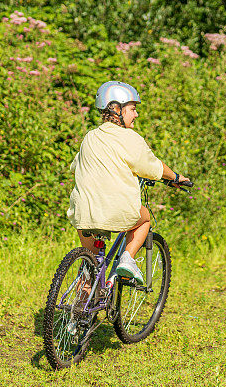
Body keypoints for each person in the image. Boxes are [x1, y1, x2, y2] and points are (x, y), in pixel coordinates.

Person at [66, 81, 189, 288]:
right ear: (116, 109)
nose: (136, 114)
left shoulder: (90, 137)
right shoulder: (129, 138)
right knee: (144, 218)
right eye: (132, 109)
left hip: (83, 212)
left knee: (92, 263)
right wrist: (175, 177)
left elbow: (75, 165)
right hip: (116, 211)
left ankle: (81, 305)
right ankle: (127, 260)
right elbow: (151, 166)